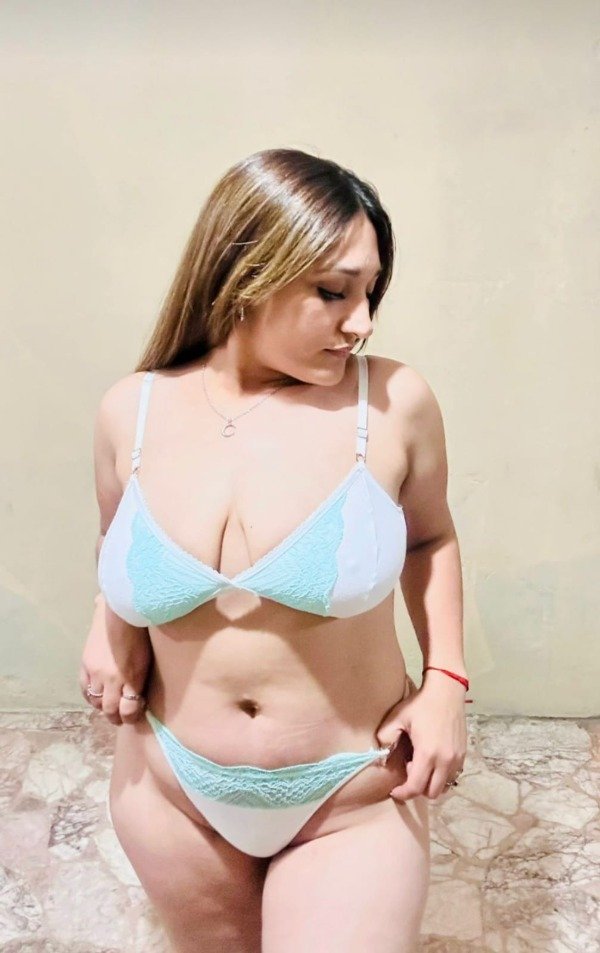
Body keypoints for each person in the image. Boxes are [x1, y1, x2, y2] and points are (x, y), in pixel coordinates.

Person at [80, 148, 469, 953]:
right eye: (333, 291)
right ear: (245, 272)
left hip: (352, 795)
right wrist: (107, 623)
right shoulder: (131, 411)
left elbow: (430, 537)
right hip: (169, 789)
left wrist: (446, 683)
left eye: (369, 292)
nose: (361, 322)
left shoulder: (390, 403)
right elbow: (118, 537)